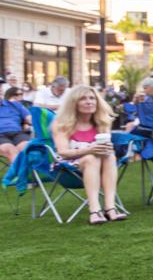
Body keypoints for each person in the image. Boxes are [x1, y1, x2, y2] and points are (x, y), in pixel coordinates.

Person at [52, 85, 124, 225]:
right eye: (83, 99)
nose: (89, 102)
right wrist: (89, 150)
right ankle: (94, 210)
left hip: (99, 164)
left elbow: (104, 149)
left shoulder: (102, 122)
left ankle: (110, 208)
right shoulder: (62, 123)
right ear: (74, 103)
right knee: (92, 158)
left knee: (109, 156)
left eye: (92, 98)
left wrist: (106, 148)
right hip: (68, 167)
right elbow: (62, 153)